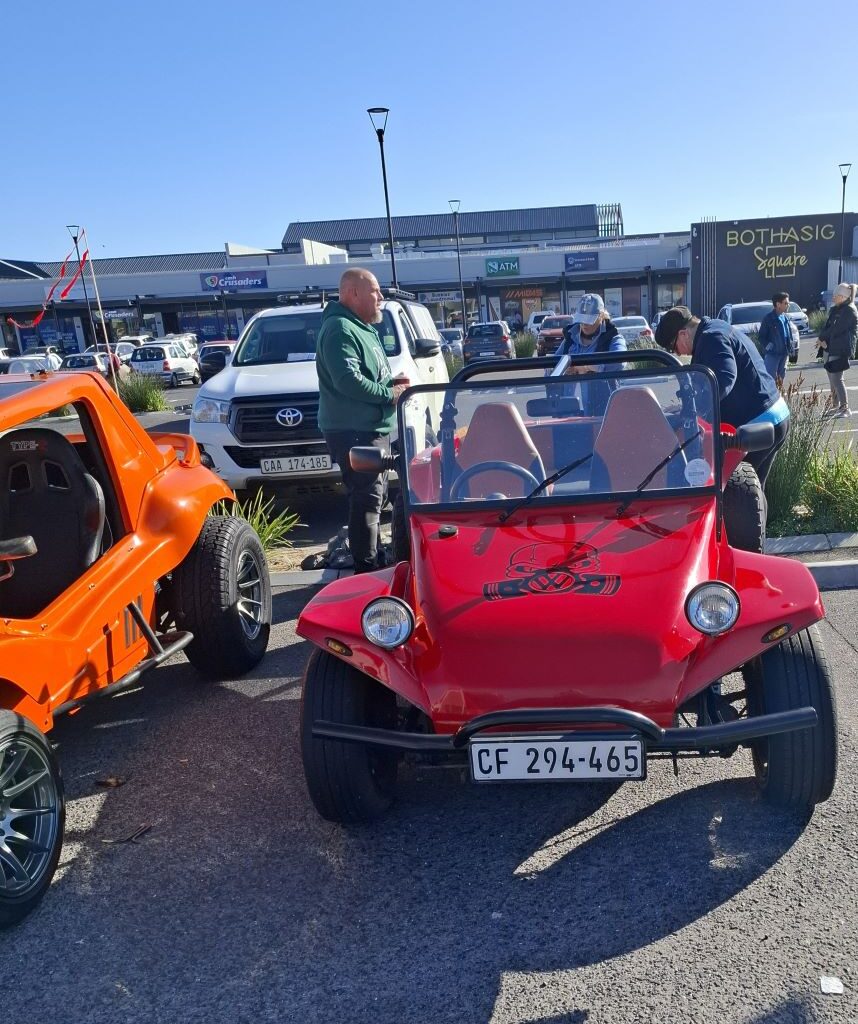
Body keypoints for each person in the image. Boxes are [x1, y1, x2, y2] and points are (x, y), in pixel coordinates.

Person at [316, 268, 409, 573]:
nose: (381, 297)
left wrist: (392, 384)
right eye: (375, 291)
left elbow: (365, 375)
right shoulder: (341, 329)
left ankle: (371, 556)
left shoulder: (361, 327)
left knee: (374, 495)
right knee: (367, 497)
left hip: (367, 428)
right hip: (353, 431)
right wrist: (388, 394)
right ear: (352, 293)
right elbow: (348, 381)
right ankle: (365, 569)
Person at [655, 305, 789, 488]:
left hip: (756, 422)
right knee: (753, 489)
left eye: (673, 347)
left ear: (683, 334)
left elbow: (724, 378)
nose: (678, 353)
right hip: (773, 415)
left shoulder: (711, 339)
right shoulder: (715, 328)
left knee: (734, 492)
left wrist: (695, 410)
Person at [554, 293, 627, 413]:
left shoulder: (613, 338)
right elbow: (552, 365)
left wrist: (587, 367)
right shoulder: (570, 338)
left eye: (589, 320)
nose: (584, 324)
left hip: (603, 413)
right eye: (581, 319)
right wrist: (565, 370)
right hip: (569, 413)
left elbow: (620, 361)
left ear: (602, 316)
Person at [817, 281, 858, 417]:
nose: (833, 298)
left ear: (843, 296)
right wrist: (821, 338)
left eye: (835, 295)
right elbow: (827, 326)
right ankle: (835, 406)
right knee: (831, 378)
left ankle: (845, 408)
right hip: (829, 347)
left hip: (840, 348)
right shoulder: (836, 309)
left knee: (837, 378)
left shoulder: (849, 310)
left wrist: (822, 337)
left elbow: (837, 329)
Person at [758, 291, 798, 388]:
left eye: (788, 303)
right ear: (778, 304)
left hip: (784, 354)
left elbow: (789, 335)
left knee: (781, 379)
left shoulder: (785, 318)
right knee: (770, 380)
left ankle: (779, 397)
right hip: (773, 355)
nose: (788, 305)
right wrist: (770, 348)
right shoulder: (768, 319)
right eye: (786, 303)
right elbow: (762, 337)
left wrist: (791, 348)